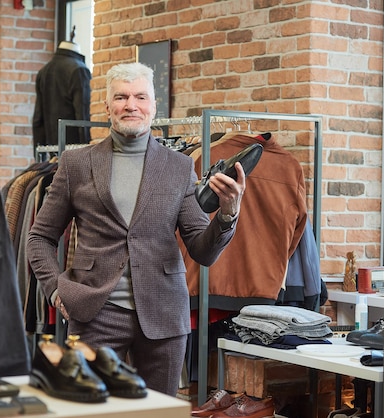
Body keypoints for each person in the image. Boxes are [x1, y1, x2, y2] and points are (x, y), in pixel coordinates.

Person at [27, 62, 246, 396]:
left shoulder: (179, 166)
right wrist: (57, 291)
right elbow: (39, 236)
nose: (131, 105)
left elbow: (202, 250)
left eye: (140, 97)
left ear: (154, 106)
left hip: (163, 316)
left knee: (157, 411)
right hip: (94, 314)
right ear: (107, 106)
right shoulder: (76, 164)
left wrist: (228, 213)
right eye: (122, 97)